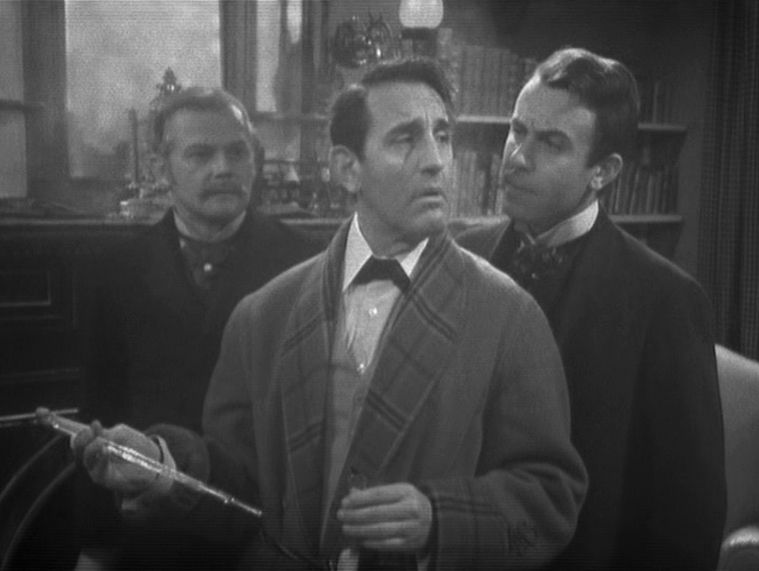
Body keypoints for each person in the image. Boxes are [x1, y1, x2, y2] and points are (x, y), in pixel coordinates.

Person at [73, 57, 588, 570]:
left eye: (442, 136)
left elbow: (551, 500)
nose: (436, 161)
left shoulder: (510, 316)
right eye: (405, 139)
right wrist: (162, 466)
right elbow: (239, 492)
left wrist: (439, 520)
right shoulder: (263, 315)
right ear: (347, 169)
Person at [456, 47, 726, 569]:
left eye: (551, 143)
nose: (516, 157)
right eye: (517, 130)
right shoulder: (463, 256)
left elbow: (688, 515)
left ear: (603, 171)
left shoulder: (665, 300)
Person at [76, 86, 320, 569]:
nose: (223, 168)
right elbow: (99, 416)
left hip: (267, 532)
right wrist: (96, 548)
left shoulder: (309, 265)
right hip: (154, 535)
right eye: (201, 154)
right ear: (160, 168)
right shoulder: (116, 273)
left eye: (237, 152)